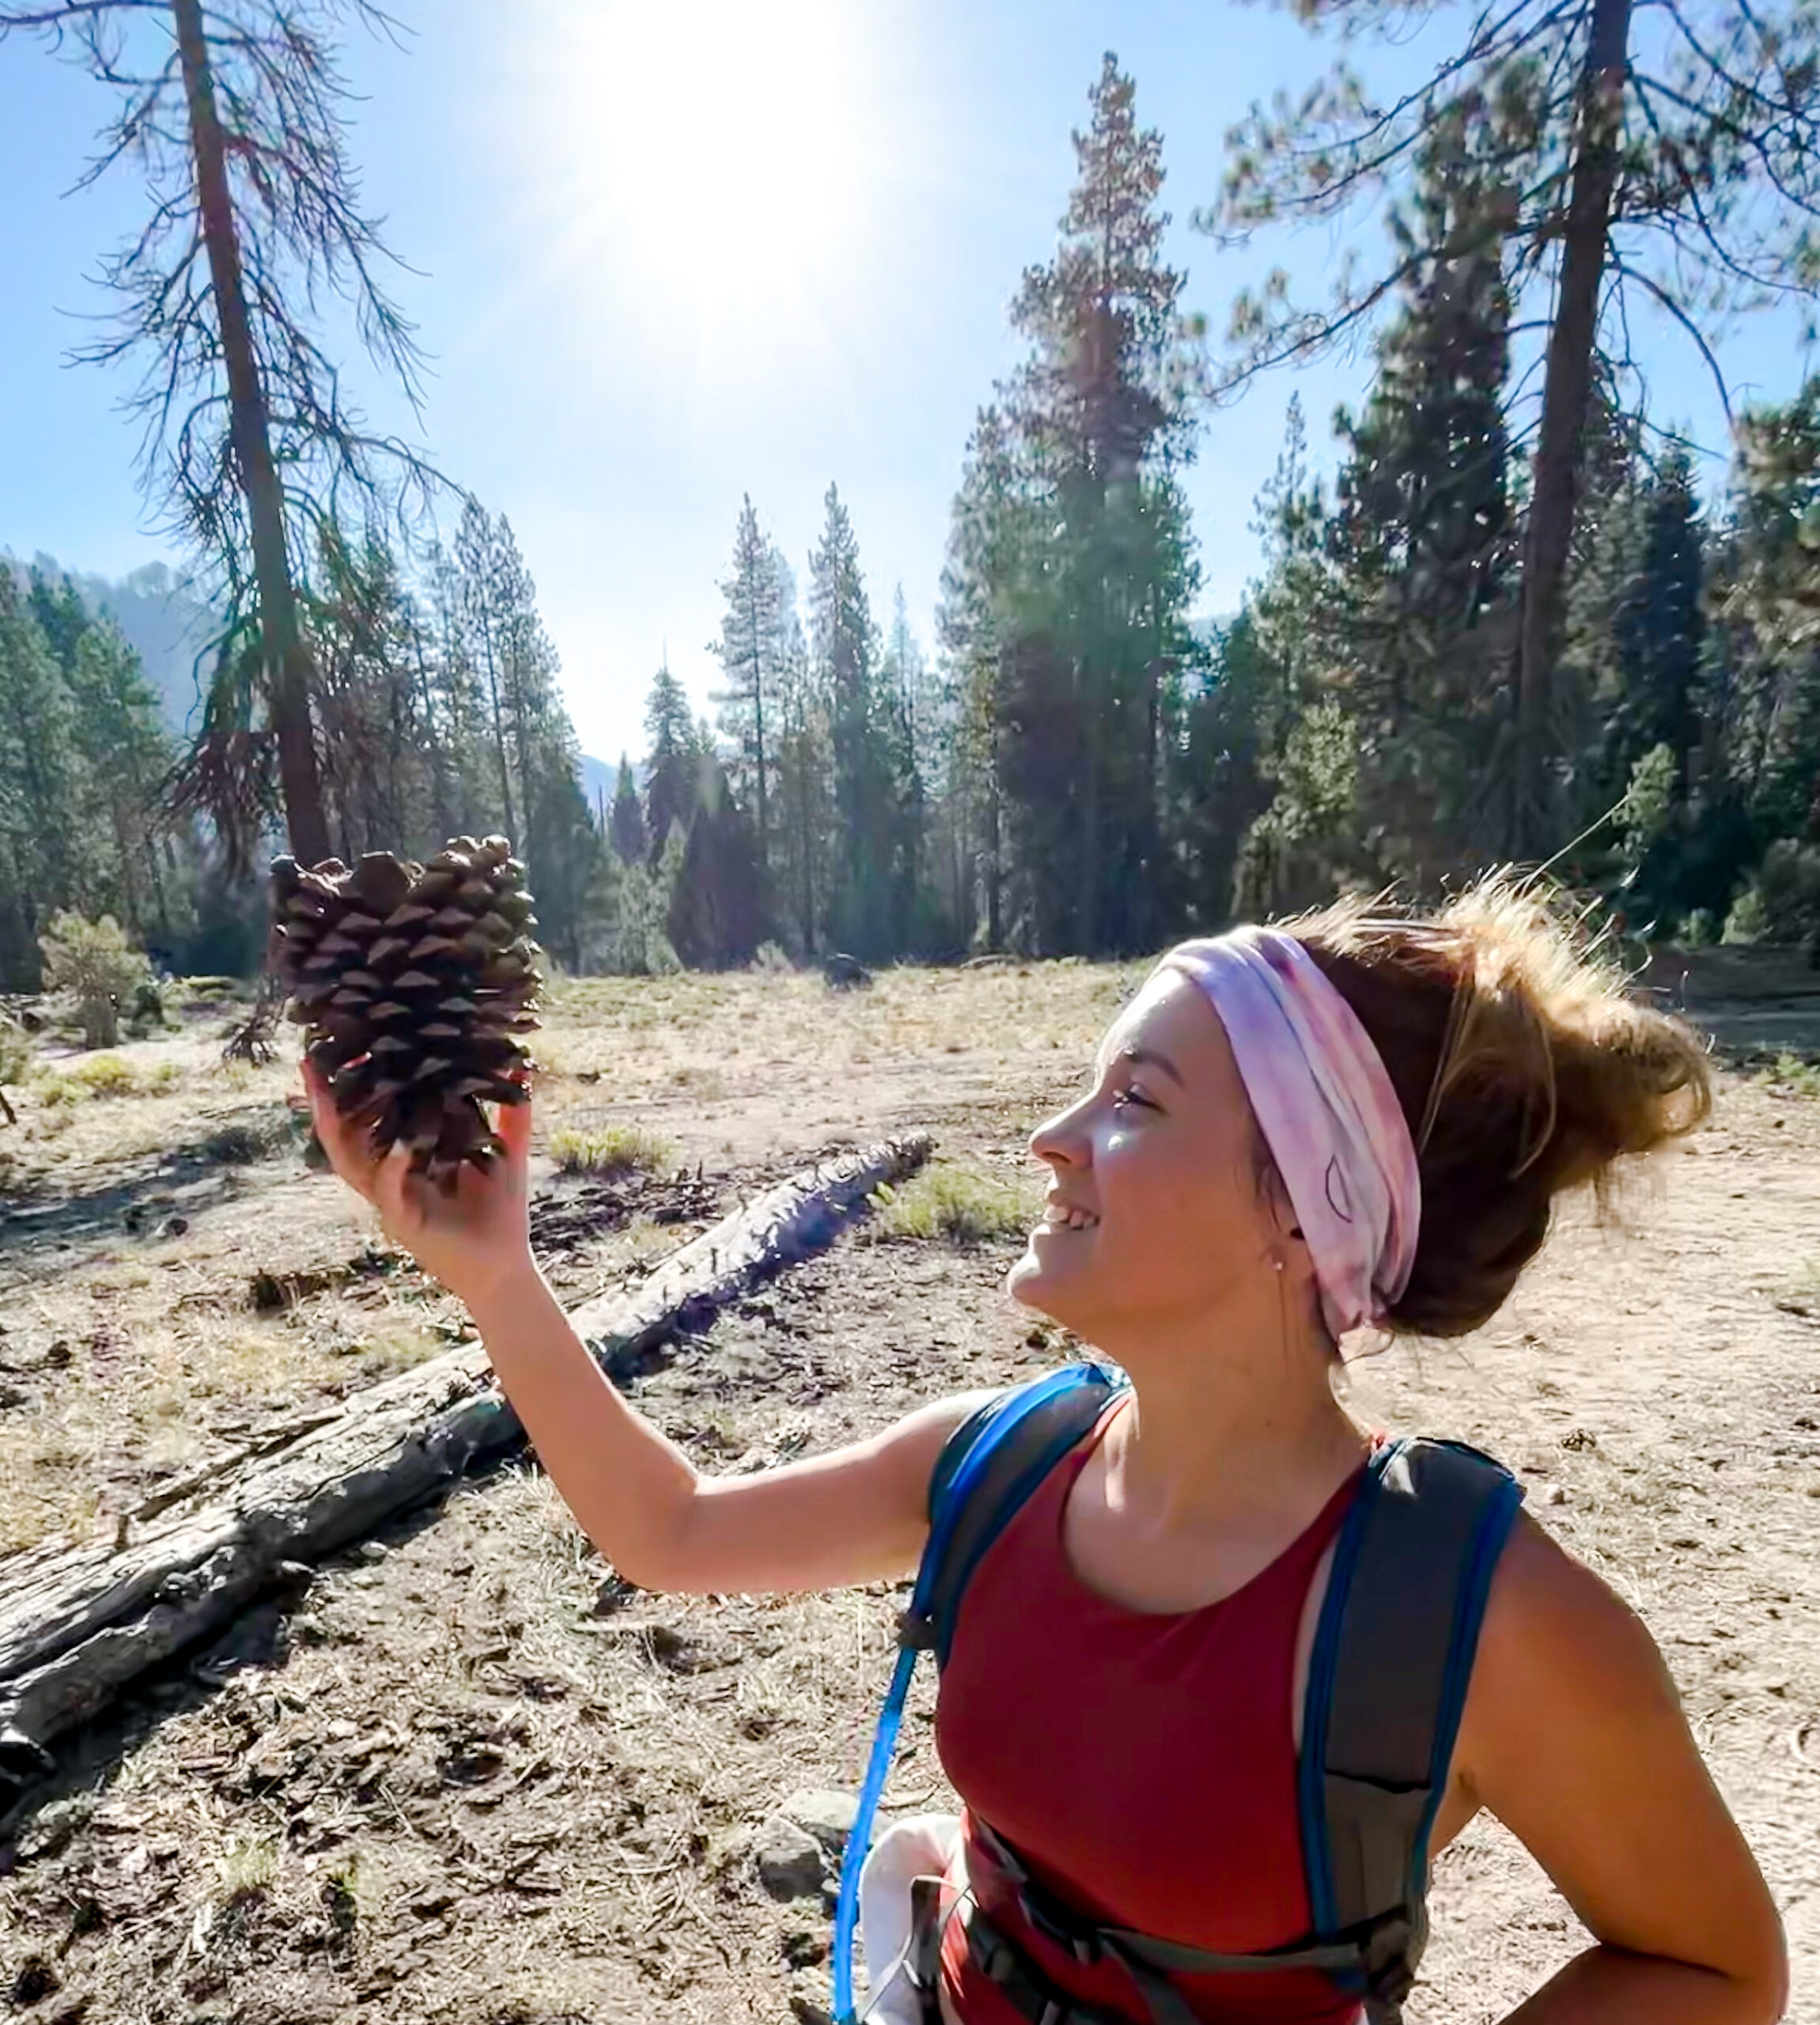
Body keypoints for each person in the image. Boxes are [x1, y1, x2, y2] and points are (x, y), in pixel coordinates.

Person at [304, 876, 1788, 2025]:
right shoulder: (997, 1466)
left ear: (1305, 1208)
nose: (1051, 1137)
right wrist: (495, 1277)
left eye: (1134, 1099)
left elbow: (1712, 1966)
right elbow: (672, 1531)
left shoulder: (1470, 1608)